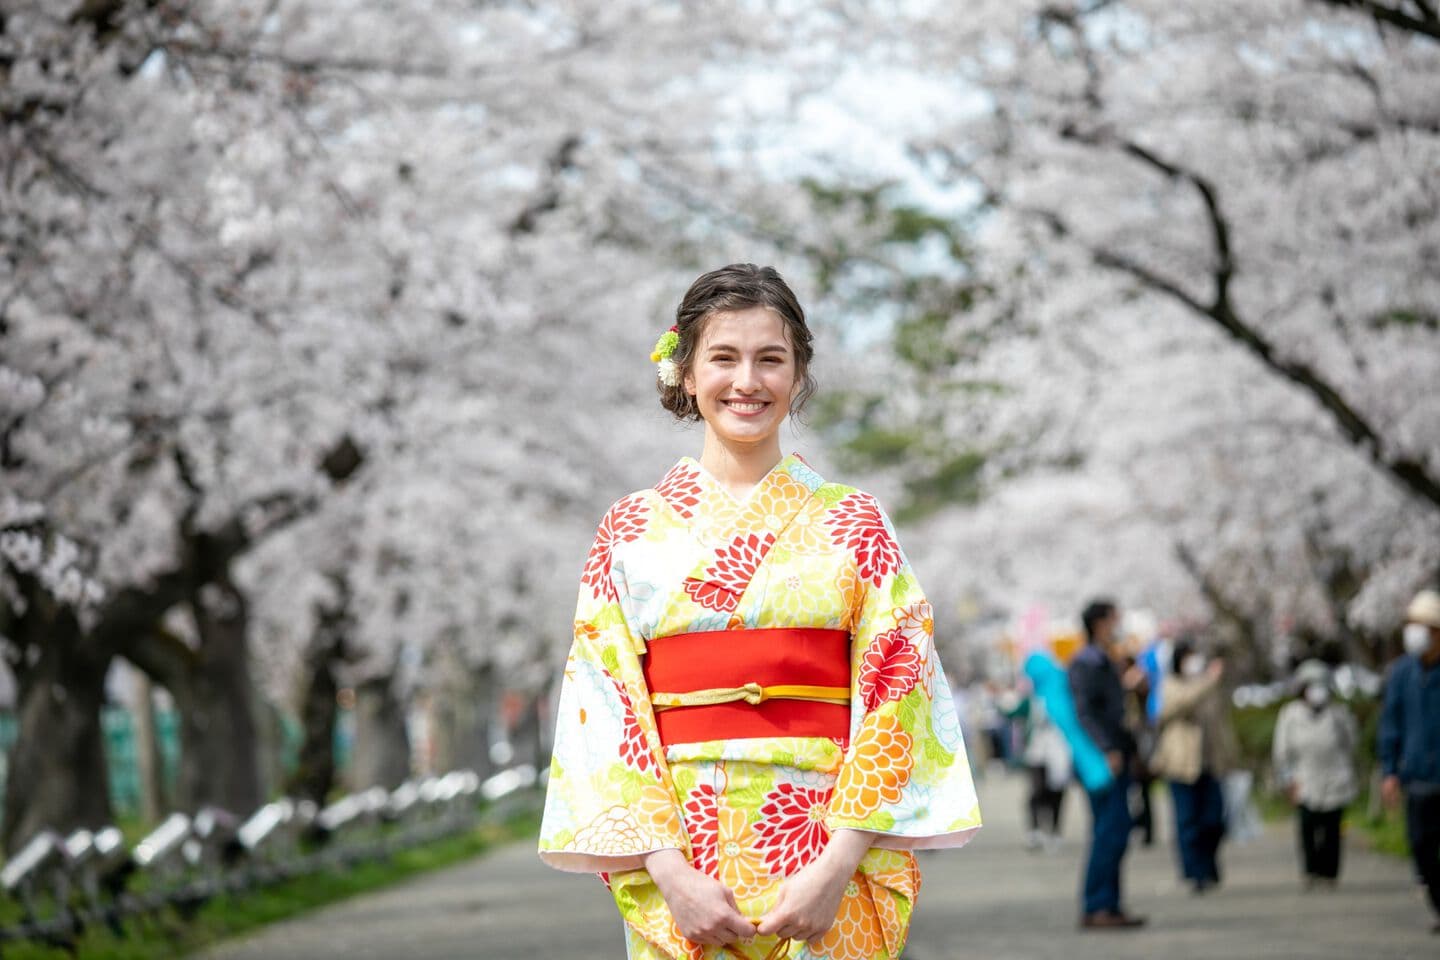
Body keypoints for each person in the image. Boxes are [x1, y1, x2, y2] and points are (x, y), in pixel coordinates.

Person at [536, 264, 982, 960]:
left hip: (829, 847)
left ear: (798, 375)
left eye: (770, 359)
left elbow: (900, 690)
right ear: (686, 374)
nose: (747, 381)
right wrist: (668, 873)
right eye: (723, 358)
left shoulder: (854, 522)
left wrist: (836, 867)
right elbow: (606, 705)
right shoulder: (629, 530)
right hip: (682, 856)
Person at [1068, 599, 1146, 929]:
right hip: (1103, 761)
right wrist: (1106, 749)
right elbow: (1084, 712)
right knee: (1108, 831)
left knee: (1117, 830)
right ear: (1100, 623)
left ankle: (1110, 905)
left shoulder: (1106, 660)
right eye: (1115, 618)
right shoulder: (1086, 662)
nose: (1119, 624)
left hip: (1117, 755)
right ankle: (1097, 905)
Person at [1150, 637, 1237, 894]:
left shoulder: (1209, 688)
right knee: (1187, 821)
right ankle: (1194, 873)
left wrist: (1231, 757)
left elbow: (1221, 723)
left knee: (1214, 820)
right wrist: (1208, 681)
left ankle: (1208, 864)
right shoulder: (1170, 685)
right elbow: (1178, 705)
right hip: (1181, 764)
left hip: (1210, 762)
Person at [1378, 588, 1440, 935]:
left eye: (1422, 625)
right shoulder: (1402, 673)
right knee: (1422, 849)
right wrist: (1389, 771)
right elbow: (1391, 724)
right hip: (1417, 776)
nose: (1414, 632)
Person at [1272, 660, 1358, 890]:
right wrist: (1287, 780)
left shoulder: (1338, 714)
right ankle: (1310, 870)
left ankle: (1330, 873)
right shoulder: (1290, 714)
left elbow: (1351, 744)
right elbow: (1282, 751)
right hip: (1304, 778)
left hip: (1335, 777)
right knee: (1308, 827)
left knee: (1332, 829)